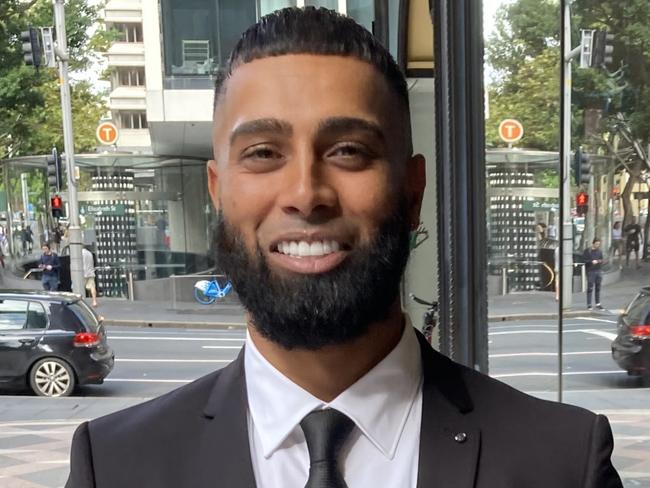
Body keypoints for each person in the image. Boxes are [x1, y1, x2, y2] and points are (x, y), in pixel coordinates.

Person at [65, 8, 622, 488]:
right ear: (218, 191)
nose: (306, 194)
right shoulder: (114, 466)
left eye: (349, 150)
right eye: (262, 152)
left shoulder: (564, 462)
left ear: (412, 191)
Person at [583, 238, 605, 311]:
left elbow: (602, 259)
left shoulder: (599, 251)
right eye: (596, 244)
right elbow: (584, 260)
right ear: (593, 243)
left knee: (598, 288)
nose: (597, 245)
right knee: (590, 288)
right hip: (590, 271)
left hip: (598, 270)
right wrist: (591, 262)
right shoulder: (587, 251)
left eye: (598, 244)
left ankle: (598, 303)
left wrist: (599, 261)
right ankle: (589, 304)